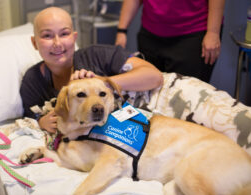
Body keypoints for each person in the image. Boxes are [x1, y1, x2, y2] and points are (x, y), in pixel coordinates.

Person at [20, 7, 163, 134]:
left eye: (64, 34)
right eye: (47, 35)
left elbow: (155, 77)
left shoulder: (96, 56)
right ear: (34, 43)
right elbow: (30, 118)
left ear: (74, 38)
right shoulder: (33, 81)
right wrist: (41, 123)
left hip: (163, 94)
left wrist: (102, 82)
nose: (57, 43)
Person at [115, 0, 225, 83]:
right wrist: (122, 30)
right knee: (149, 95)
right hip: (150, 33)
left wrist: (213, 32)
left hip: (192, 34)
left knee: (185, 96)